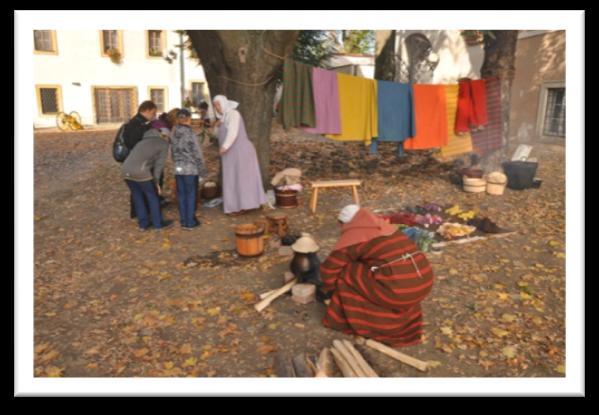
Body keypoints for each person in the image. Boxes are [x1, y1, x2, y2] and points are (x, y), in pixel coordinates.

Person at [319, 205, 435, 348]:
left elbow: (330, 268)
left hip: (399, 291)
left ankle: (366, 321)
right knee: (368, 270)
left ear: (346, 223)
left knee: (347, 272)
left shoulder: (355, 237)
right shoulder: (389, 229)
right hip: (423, 282)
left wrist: (330, 289)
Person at [212, 95, 267, 215]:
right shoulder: (223, 117)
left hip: (240, 151)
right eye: (215, 105)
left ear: (224, 103)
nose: (216, 107)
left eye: (218, 104)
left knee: (243, 179)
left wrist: (225, 146)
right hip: (230, 154)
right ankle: (235, 205)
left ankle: (244, 205)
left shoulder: (233, 114)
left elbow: (233, 132)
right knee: (232, 179)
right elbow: (217, 135)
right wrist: (216, 127)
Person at [121, 125, 173, 231]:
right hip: (140, 171)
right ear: (165, 136)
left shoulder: (141, 142)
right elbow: (159, 166)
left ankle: (143, 224)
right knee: (152, 196)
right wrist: (156, 181)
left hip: (125, 170)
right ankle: (158, 224)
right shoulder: (163, 144)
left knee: (137, 196)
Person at [170, 109, 208, 230]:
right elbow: (197, 153)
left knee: (181, 194)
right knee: (191, 194)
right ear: (188, 118)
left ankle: (183, 220)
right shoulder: (190, 133)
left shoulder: (174, 133)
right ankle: (190, 222)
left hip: (178, 168)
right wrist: (202, 170)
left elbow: (172, 152)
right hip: (190, 168)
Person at [123, 101, 158, 219]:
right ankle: (148, 216)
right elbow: (134, 143)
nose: (154, 116)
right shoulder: (137, 124)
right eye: (153, 113)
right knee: (146, 191)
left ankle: (141, 216)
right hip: (140, 163)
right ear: (147, 110)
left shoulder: (139, 122)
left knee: (137, 191)